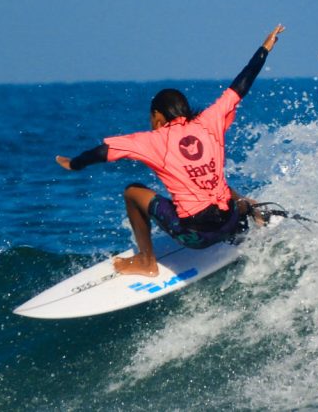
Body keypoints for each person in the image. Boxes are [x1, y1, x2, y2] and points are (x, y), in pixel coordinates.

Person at [56, 25, 285, 277]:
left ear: (157, 116)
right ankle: (251, 209)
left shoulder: (152, 140)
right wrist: (264, 49)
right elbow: (241, 84)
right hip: (231, 223)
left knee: (132, 191)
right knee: (214, 182)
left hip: (196, 237)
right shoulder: (210, 121)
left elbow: (102, 152)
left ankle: (146, 261)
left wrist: (74, 164)